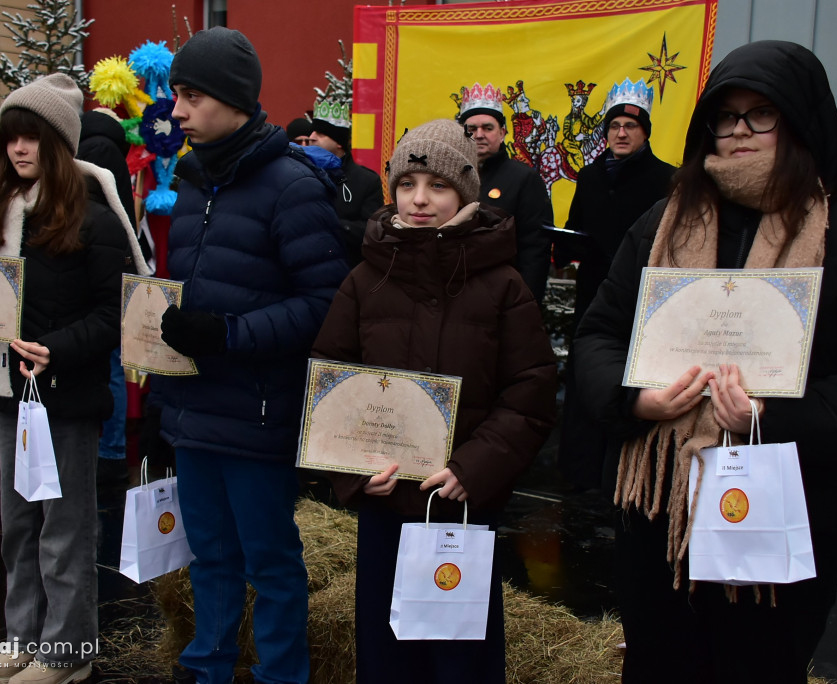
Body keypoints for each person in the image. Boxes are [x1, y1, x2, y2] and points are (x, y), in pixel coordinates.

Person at [573, 41, 837, 683]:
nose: (740, 130)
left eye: (762, 113)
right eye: (726, 115)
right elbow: (599, 335)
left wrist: (770, 416)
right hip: (660, 516)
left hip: (782, 520)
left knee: (760, 667)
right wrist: (635, 397)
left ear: (802, 120)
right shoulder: (663, 224)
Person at [0, 73, 146, 684]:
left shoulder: (94, 220)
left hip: (65, 394)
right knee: (17, 525)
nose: (18, 149)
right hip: (9, 392)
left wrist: (56, 350)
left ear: (58, 144)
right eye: (11, 136)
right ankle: (24, 639)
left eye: (32, 137)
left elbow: (116, 312)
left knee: (65, 528)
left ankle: (66, 655)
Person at [312, 119, 559, 683]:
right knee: (386, 646)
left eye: (438, 186)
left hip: (462, 508)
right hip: (386, 502)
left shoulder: (502, 285)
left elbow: (532, 390)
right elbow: (331, 381)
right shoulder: (364, 280)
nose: (419, 199)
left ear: (466, 191)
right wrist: (352, 473)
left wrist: (475, 467)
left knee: (460, 656)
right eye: (407, 184)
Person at [153, 27, 349, 684]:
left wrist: (228, 334)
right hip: (193, 407)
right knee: (207, 555)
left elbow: (322, 304)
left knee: (269, 560)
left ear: (234, 99)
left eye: (190, 96)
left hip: (258, 411)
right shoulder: (190, 181)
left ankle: (280, 674)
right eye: (176, 94)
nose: (176, 110)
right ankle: (207, 666)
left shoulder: (291, 187)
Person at [558, 78, 675, 490]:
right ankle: (579, 472)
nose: (621, 133)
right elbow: (576, 227)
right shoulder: (589, 177)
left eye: (630, 126)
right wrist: (565, 244)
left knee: (630, 382)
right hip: (593, 295)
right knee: (587, 376)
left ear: (645, 132)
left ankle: (620, 476)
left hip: (643, 302)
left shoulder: (667, 179)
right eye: (614, 126)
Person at [77, 108, 136, 487]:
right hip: (114, 262)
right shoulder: (113, 148)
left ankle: (110, 450)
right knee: (112, 362)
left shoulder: (92, 148)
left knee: (109, 362)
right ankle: (112, 450)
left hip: (94, 264)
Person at [456, 82, 554, 304]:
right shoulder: (448, 177)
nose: (479, 135)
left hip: (502, 296)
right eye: (471, 129)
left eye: (487, 128)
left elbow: (535, 249)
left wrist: (525, 302)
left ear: (502, 133)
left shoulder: (524, 179)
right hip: (454, 293)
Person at [309, 97, 384, 266]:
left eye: (321, 134)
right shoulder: (301, 173)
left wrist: (332, 224)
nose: (311, 137)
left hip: (347, 270)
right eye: (312, 132)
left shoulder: (367, 181)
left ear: (339, 144)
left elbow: (372, 231)